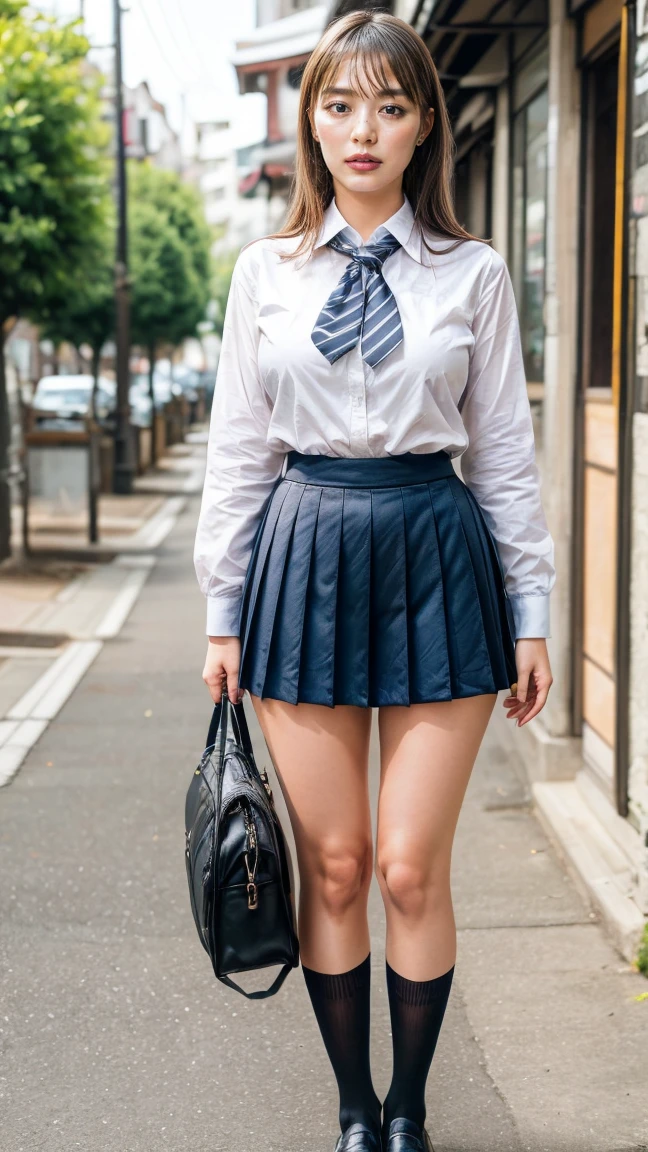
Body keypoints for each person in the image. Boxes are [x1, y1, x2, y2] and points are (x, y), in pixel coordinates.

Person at [194, 10, 556, 1152]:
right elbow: (238, 451)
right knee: (337, 864)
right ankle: (355, 1106)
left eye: (391, 107)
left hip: (438, 555)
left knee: (407, 866)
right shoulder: (266, 272)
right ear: (312, 122)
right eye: (342, 104)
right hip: (303, 553)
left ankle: (411, 1108)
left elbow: (503, 451)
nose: (364, 129)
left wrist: (534, 613)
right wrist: (220, 610)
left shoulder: (474, 272)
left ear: (422, 128)